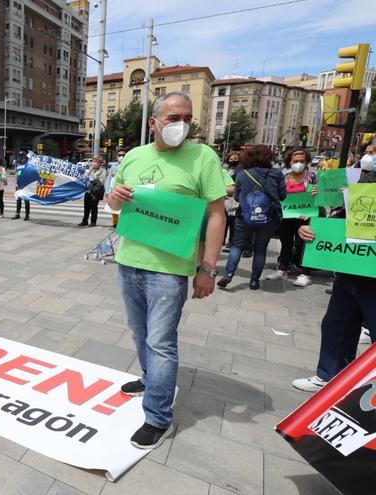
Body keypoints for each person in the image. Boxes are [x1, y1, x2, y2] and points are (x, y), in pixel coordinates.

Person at [107, 92, 226, 449]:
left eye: (187, 118)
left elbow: (217, 214)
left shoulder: (203, 157)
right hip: (130, 260)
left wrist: (208, 268)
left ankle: (157, 417)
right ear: (154, 122)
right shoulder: (134, 155)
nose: (182, 125)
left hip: (170, 269)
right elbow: (114, 204)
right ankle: (149, 378)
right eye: (174, 118)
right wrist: (114, 197)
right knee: (139, 331)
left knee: (161, 341)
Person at [292, 162, 376, 392]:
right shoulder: (362, 180)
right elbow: (334, 226)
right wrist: (309, 233)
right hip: (350, 273)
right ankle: (329, 377)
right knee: (337, 326)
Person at [217, 145, 287, 290]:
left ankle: (229, 274)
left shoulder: (243, 174)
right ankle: (254, 281)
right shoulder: (277, 174)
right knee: (260, 249)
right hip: (268, 217)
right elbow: (282, 196)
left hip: (245, 215)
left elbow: (236, 196)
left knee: (237, 245)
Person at [265, 149, 317, 287]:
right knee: (286, 243)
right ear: (289, 161)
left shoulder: (312, 177)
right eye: (295, 161)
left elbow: (322, 197)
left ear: (307, 162)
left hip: (306, 218)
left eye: (302, 161)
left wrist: (317, 192)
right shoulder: (283, 177)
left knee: (303, 244)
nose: (298, 163)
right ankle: (282, 269)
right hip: (287, 217)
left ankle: (306, 273)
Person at [79, 156, 107, 227]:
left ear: (99, 163)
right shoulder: (90, 170)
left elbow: (101, 181)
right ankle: (84, 221)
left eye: (96, 162)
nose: (94, 163)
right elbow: (84, 178)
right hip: (88, 191)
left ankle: (93, 222)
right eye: (93, 161)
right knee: (86, 207)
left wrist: (93, 179)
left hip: (95, 192)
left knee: (94, 207)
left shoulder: (102, 171)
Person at [12, 151, 31, 221]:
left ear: (25, 156)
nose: (21, 157)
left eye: (22, 155)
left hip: (26, 185)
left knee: (26, 200)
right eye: (20, 155)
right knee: (18, 199)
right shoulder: (18, 164)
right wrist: (16, 183)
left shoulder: (29, 164)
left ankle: (27, 215)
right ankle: (17, 214)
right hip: (19, 185)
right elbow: (16, 174)